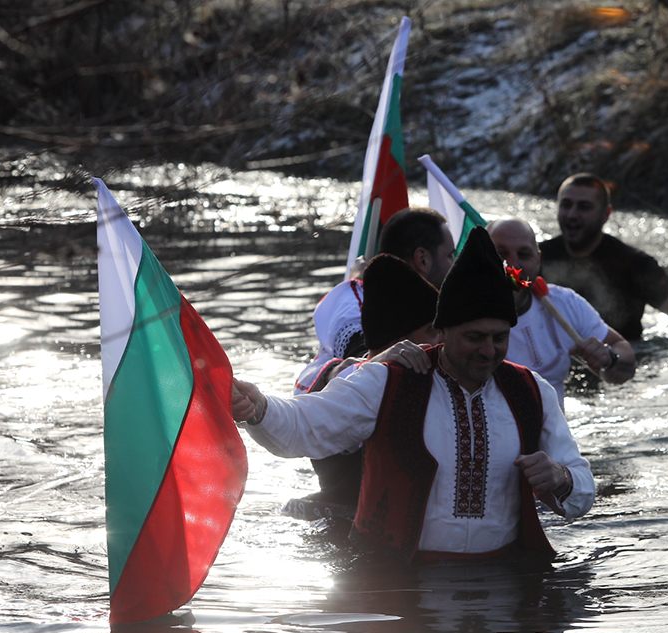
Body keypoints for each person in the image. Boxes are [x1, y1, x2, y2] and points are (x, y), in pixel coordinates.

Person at [233, 227, 594, 562]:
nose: (488, 350)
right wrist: (259, 408)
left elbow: (582, 491)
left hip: (503, 586)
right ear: (442, 330)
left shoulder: (531, 391)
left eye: (499, 338)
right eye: (474, 337)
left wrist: (560, 476)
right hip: (395, 588)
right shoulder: (390, 381)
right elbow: (305, 427)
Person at [292, 253, 443, 515]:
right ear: (401, 344)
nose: (443, 339)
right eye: (433, 330)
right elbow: (298, 418)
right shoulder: (344, 388)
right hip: (340, 524)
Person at [293, 207, 456, 393]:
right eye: (450, 255)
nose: (455, 264)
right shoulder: (354, 305)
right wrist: (374, 362)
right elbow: (354, 351)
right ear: (422, 259)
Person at [488, 216, 636, 410]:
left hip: (555, 439)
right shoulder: (462, 316)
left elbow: (624, 356)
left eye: (524, 255)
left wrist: (609, 359)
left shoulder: (565, 303)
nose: (513, 265)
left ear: (538, 260)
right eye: (500, 254)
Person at [538, 173, 668, 340]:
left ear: (606, 214)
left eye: (584, 207)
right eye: (566, 205)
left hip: (624, 358)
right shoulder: (535, 257)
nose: (572, 214)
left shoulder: (635, 264)